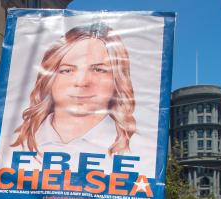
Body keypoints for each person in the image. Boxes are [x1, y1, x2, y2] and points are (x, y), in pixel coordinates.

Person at [10, 22, 137, 163]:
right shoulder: (15, 142)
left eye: (98, 69)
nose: (82, 82)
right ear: (49, 78)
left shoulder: (137, 147)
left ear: (117, 79)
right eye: (67, 70)